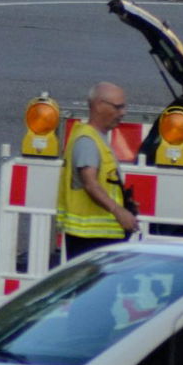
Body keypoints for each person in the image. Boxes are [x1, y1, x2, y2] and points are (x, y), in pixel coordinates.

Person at [57, 82, 139, 260]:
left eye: (123, 107)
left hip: (98, 238)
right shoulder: (87, 141)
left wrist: (126, 205)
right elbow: (90, 183)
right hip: (90, 239)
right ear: (98, 106)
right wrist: (118, 211)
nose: (123, 112)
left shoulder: (96, 138)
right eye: (118, 107)